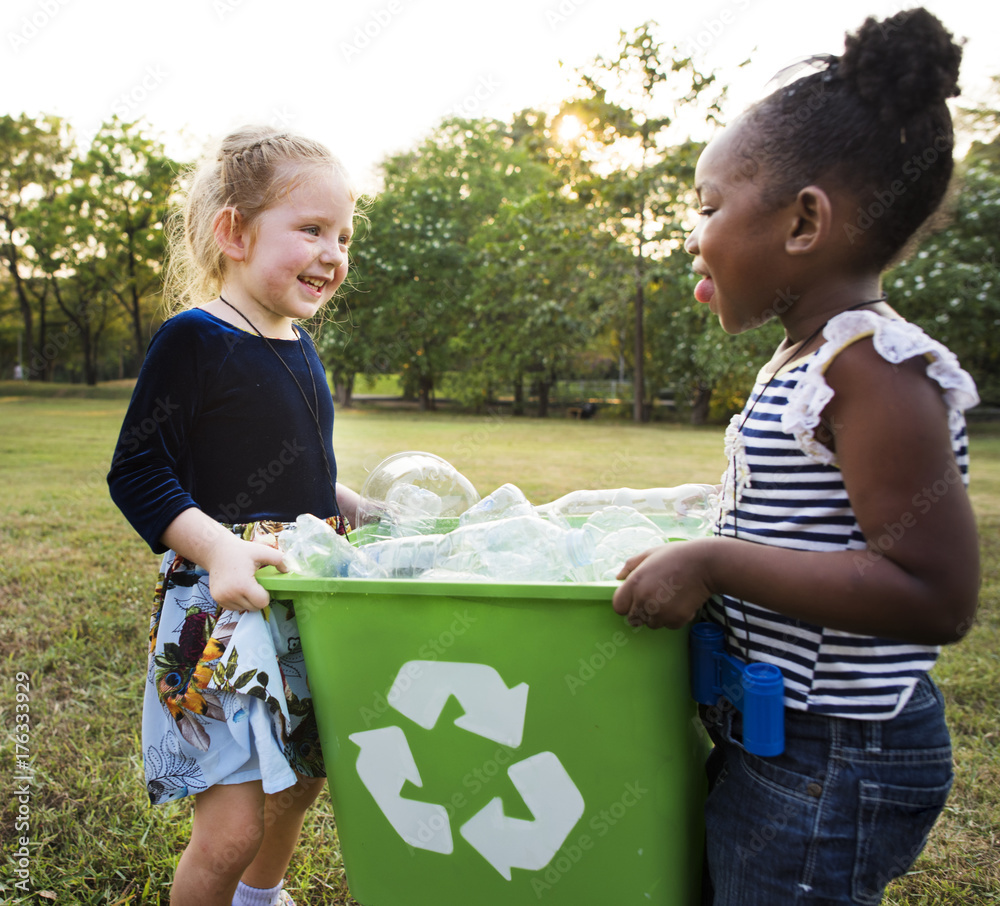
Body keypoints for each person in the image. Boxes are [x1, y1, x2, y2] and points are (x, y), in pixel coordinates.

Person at [611, 9, 980, 905]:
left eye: (705, 208)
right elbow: (800, 515)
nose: (693, 236)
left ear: (805, 221)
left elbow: (937, 594)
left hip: (836, 758)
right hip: (777, 741)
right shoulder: (810, 359)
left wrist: (712, 560)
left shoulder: (874, 368)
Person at [108, 126, 364, 906]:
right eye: (312, 230)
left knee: (302, 781)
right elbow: (138, 471)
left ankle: (260, 898)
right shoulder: (195, 340)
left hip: (296, 600)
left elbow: (296, 467)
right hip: (215, 614)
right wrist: (219, 548)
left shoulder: (300, 345)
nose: (334, 253)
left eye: (345, 236)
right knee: (229, 830)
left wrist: (347, 505)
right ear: (234, 231)